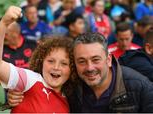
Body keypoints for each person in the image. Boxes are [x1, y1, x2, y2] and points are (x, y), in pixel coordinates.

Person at [8, 32, 153, 112]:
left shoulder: (140, 87)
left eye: (96, 59)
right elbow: (42, 88)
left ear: (108, 59)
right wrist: (18, 94)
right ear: (74, 64)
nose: (89, 67)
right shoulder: (70, 84)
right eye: (82, 61)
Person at [0, 6, 76, 113]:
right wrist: (3, 24)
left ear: (72, 69)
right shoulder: (30, 80)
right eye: (50, 61)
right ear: (41, 62)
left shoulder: (72, 97)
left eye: (64, 63)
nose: (56, 67)